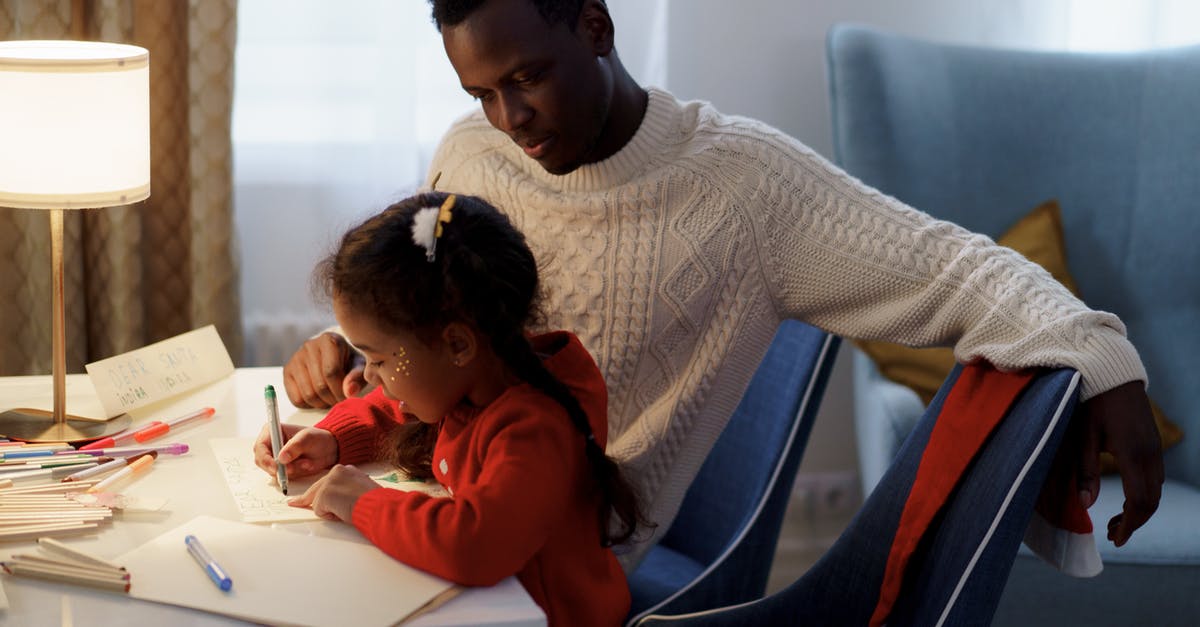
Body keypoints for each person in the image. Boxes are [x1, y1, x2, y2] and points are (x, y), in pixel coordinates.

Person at [282, 0, 1163, 569]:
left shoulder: (747, 188)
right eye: (482, 92)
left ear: (595, 25)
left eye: (527, 79)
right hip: (440, 496)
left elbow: (952, 266)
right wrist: (365, 360)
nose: (510, 121)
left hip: (559, 563)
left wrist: (1100, 351)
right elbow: (443, 345)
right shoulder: (471, 153)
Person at [257, 191, 639, 627]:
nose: (368, 378)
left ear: (457, 344)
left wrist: (365, 503)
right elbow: (397, 407)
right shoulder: (478, 374)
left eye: (379, 361)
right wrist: (333, 439)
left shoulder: (535, 425)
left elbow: (474, 545)